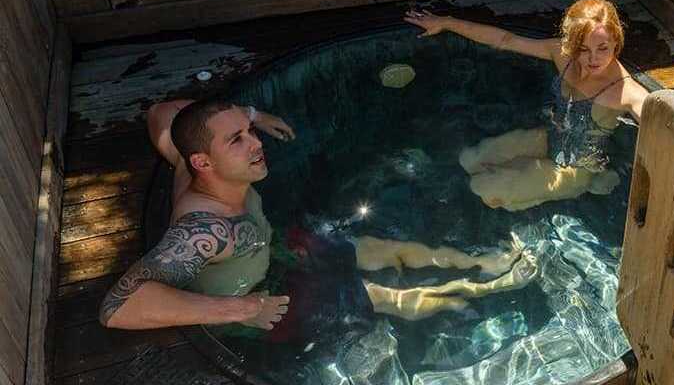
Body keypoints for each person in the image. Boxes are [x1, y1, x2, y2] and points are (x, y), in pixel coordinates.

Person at [99, 99, 539, 331]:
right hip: (259, 300)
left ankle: (476, 262)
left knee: (371, 246)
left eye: (249, 132)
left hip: (274, 249)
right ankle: (486, 288)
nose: (256, 142)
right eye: (237, 140)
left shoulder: (186, 161)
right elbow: (119, 307)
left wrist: (253, 114)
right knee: (380, 297)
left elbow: (162, 113)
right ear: (203, 161)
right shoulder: (207, 230)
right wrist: (242, 309)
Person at [405, 0, 645, 211]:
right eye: (583, 49)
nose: (593, 58)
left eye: (603, 48)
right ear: (572, 43)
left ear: (616, 41)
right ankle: (527, 179)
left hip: (578, 168)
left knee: (484, 188)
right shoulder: (562, 54)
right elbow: (505, 40)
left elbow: (660, 116)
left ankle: (588, 183)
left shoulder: (626, 91)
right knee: (469, 159)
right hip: (550, 138)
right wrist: (446, 22)